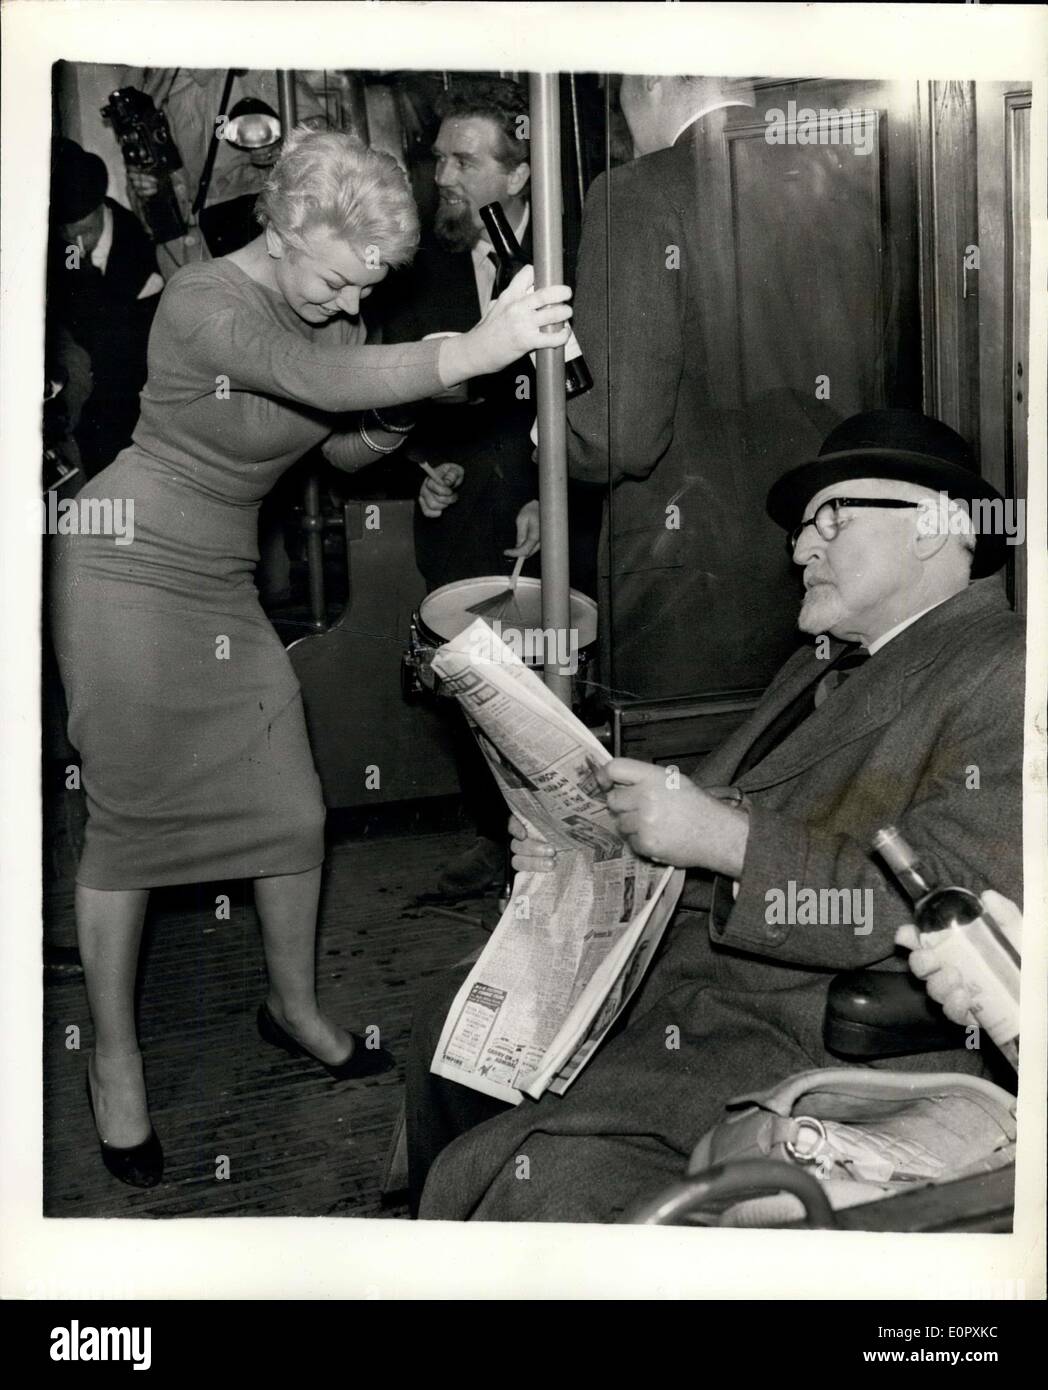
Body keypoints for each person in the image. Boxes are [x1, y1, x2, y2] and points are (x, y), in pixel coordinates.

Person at [50, 127, 573, 1189]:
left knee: (290, 805)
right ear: (286, 231)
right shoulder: (204, 299)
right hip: (124, 560)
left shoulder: (328, 304)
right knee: (132, 815)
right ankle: (114, 1057)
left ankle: (292, 1006)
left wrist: (393, 440)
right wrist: (468, 350)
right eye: (338, 279)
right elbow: (303, 374)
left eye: (368, 285)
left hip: (219, 576)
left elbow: (325, 434)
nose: (348, 303)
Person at [405, 408, 1024, 1221]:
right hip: (696, 982)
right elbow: (729, 799)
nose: (801, 549)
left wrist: (724, 840)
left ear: (937, 526)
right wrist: (575, 837)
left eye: (832, 520)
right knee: (446, 1035)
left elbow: (951, 910)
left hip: (794, 1034)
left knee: (541, 1182)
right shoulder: (823, 663)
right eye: (804, 529)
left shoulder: (1006, 671)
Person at [374, 78, 599, 897]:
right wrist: (416, 470)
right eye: (439, 159)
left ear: (519, 171)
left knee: (557, 677)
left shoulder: (583, 250)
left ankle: (572, 844)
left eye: (464, 161)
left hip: (564, 500)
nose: (443, 177)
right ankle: (492, 836)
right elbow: (390, 385)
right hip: (461, 506)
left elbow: (596, 393)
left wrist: (559, 482)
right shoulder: (416, 267)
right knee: (466, 679)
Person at [564, 74, 840, 703]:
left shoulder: (635, 193)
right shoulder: (832, 176)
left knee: (672, 785)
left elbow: (617, 436)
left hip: (684, 590)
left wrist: (548, 434)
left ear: (653, 77)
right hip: (828, 559)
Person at [48, 139, 165, 478]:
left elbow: (129, 359)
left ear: (102, 207)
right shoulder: (65, 246)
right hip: (83, 385)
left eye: (82, 231)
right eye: (64, 232)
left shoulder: (140, 253)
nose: (74, 242)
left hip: (135, 397)